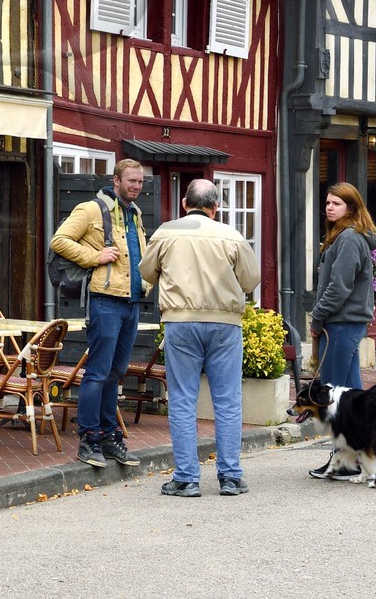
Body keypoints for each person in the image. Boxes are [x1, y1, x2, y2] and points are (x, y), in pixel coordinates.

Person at [138, 178, 261, 497]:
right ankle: (231, 476)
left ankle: (187, 478)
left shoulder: (167, 231)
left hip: (182, 321)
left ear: (184, 203)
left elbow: (147, 272)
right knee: (228, 400)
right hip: (224, 323)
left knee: (182, 399)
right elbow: (251, 280)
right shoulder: (230, 234)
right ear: (215, 207)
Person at [50, 158, 149, 469]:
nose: (136, 186)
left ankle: (109, 436)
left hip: (131, 302)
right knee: (97, 371)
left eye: (140, 182)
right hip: (105, 301)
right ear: (116, 181)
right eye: (131, 181)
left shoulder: (135, 214)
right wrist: (95, 256)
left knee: (116, 371)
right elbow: (59, 241)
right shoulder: (91, 209)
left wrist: (146, 281)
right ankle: (89, 438)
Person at [306, 180, 376, 480]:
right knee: (352, 398)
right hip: (345, 322)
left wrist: (317, 317)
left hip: (342, 322)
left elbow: (339, 288)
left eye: (336, 203)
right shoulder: (345, 236)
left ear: (351, 207)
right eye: (327, 202)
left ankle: (346, 461)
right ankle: (355, 460)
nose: (329, 207)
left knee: (334, 395)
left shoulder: (349, 239)